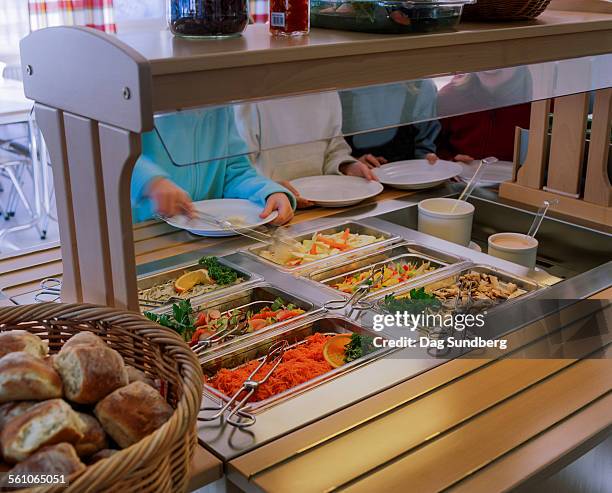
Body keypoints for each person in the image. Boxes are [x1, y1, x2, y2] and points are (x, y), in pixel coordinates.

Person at [131, 107, 295, 224]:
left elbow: (234, 172)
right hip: (142, 233)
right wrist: (150, 182)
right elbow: (108, 154)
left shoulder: (220, 106)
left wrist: (267, 193)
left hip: (203, 233)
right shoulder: (133, 97)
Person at [235, 92, 379, 208]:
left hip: (327, 202)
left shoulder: (325, 91)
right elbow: (239, 170)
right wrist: (269, 189)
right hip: (273, 208)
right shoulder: (249, 98)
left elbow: (334, 148)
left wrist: (346, 166)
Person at [436, 69, 533, 163]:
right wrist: (449, 159)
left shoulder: (540, 97)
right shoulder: (449, 96)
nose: (491, 68)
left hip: (524, 177)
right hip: (465, 176)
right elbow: (434, 146)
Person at [340, 80, 440, 165]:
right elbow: (331, 149)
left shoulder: (422, 86)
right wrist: (350, 162)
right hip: (354, 179)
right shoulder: (339, 88)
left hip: (408, 175)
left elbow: (424, 146)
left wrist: (427, 158)